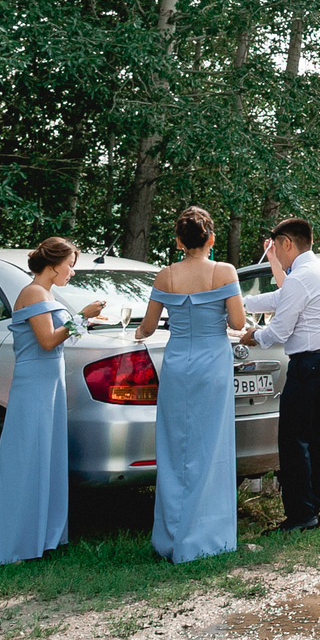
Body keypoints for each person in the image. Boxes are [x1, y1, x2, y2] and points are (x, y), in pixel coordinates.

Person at [0, 237, 103, 564]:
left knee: (45, 455)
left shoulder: (47, 294)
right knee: (26, 454)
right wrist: (82, 316)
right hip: (34, 383)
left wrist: (85, 320)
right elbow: (47, 341)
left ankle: (40, 535)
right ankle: (11, 541)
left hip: (50, 382)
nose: (72, 272)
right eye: (70, 265)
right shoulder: (33, 292)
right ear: (54, 264)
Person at [135, 208, 244, 562]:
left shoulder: (166, 276)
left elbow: (149, 327)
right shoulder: (224, 271)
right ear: (211, 238)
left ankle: (172, 537)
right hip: (212, 363)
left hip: (178, 364)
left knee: (175, 447)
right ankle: (207, 537)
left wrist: (137, 333)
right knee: (210, 449)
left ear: (179, 242)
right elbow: (238, 320)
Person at [240, 219, 320, 532]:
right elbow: (279, 298)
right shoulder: (318, 271)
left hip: (312, 365)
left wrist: (253, 335)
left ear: (287, 242)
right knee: (313, 438)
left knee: (293, 439)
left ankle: (301, 515)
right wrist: (240, 303)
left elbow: (279, 331)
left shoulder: (302, 276)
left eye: (275, 247)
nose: (275, 254)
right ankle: (311, 509)